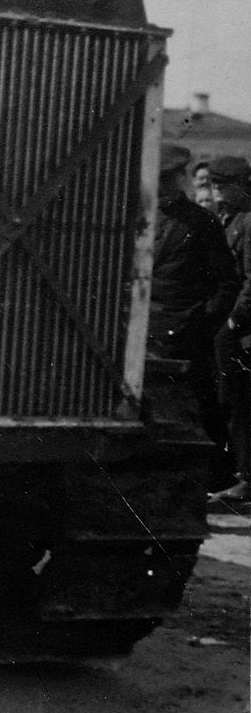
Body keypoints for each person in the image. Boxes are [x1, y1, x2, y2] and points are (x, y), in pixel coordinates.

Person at [149, 144, 241, 489]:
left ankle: (215, 479)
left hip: (186, 334)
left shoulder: (202, 223)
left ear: (180, 178)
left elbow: (227, 284)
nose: (160, 185)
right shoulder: (138, 217)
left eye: (166, 178)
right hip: (144, 333)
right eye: (155, 178)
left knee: (199, 407)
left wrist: (201, 323)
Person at [208, 155, 251, 502]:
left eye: (224, 187)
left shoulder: (249, 222)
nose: (218, 193)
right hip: (222, 322)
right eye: (215, 186)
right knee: (225, 399)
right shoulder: (228, 218)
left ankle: (246, 478)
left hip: (239, 328)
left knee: (238, 402)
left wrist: (235, 319)